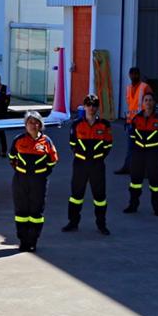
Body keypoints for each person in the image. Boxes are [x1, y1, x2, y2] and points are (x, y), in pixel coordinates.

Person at [62, 94, 113, 235]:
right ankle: (73, 222)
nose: (91, 107)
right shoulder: (76, 124)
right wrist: (82, 156)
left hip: (97, 165)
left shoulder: (104, 125)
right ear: (84, 107)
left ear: (98, 107)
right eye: (89, 105)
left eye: (94, 105)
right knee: (76, 196)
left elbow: (108, 145)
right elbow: (72, 144)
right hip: (80, 164)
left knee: (100, 197)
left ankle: (101, 224)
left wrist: (98, 157)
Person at [8, 111, 59, 252]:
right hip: (21, 180)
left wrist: (42, 174)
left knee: (36, 212)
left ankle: (33, 241)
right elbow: (12, 158)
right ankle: (23, 240)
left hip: (39, 181)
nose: (33, 125)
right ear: (25, 125)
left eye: (36, 122)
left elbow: (53, 161)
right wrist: (21, 171)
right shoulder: (18, 140)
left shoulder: (46, 141)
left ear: (40, 125)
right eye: (30, 122)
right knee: (21, 211)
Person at [124, 91, 158, 216]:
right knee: (135, 181)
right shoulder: (136, 118)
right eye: (146, 100)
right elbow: (132, 135)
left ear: (154, 103)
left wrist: (155, 146)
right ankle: (133, 205)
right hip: (138, 153)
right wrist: (136, 148)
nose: (148, 102)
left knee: (156, 182)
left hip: (153, 154)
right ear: (143, 103)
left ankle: (157, 208)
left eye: (150, 100)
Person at [113, 67, 152, 175]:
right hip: (131, 122)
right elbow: (131, 106)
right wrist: (127, 120)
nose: (133, 76)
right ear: (129, 75)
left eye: (135, 74)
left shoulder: (145, 87)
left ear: (139, 75)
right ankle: (127, 167)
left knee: (143, 147)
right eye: (132, 74)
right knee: (131, 147)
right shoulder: (129, 88)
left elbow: (150, 103)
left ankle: (145, 170)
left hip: (143, 122)